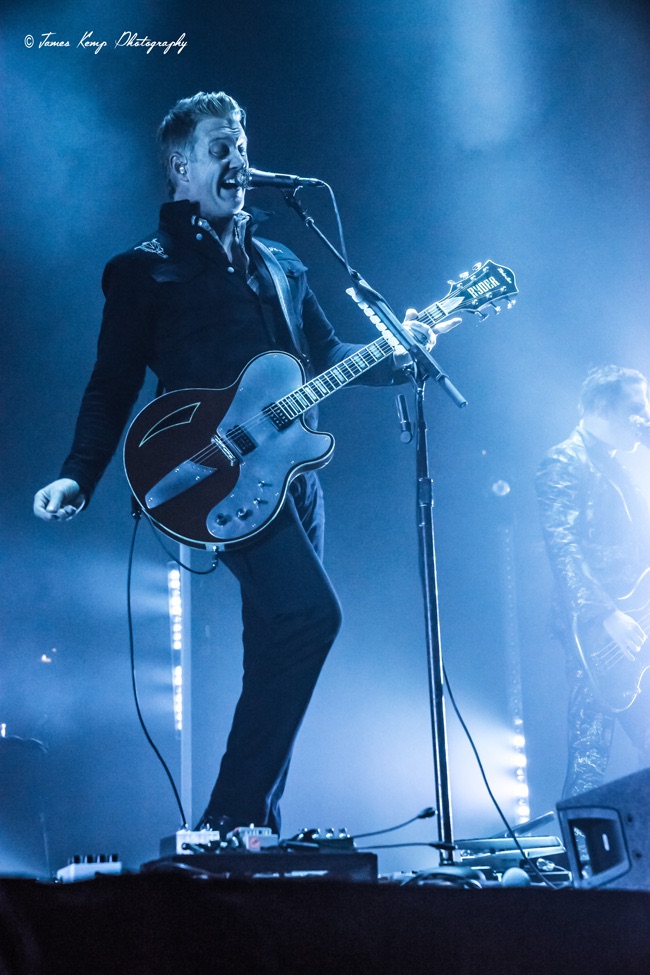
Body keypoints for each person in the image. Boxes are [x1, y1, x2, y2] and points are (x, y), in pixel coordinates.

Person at [33, 91, 443, 835]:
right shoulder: (144, 269)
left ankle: (249, 828)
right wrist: (78, 472)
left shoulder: (280, 261)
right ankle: (232, 815)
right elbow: (112, 380)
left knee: (279, 643)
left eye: (243, 144)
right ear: (182, 167)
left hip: (294, 476)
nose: (239, 159)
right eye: (222, 147)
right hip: (214, 475)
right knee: (311, 617)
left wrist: (400, 354)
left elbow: (326, 357)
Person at [536, 364, 650, 798]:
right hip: (598, 632)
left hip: (637, 622)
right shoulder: (565, 459)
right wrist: (605, 614)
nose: (644, 416)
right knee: (589, 756)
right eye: (634, 407)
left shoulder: (618, 465)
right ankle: (580, 860)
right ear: (601, 407)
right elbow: (561, 545)